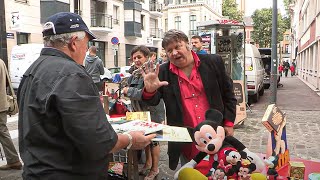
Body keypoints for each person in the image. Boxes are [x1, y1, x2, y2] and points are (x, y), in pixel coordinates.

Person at [17, 12, 155, 179]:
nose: (87, 49)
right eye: (87, 43)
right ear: (74, 43)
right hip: (67, 172)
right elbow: (98, 141)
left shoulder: (32, 70)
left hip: (36, 171)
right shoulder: (72, 73)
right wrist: (130, 139)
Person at [141, 29, 237, 170]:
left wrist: (228, 123)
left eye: (177, 46)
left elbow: (228, 93)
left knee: (221, 171)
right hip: (187, 140)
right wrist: (149, 90)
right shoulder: (163, 71)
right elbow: (152, 101)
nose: (174, 53)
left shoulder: (213, 62)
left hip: (217, 133)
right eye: (169, 50)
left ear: (187, 44)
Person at [122, 45, 165, 180]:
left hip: (152, 112)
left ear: (147, 57)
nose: (136, 60)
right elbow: (128, 90)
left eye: (139, 57)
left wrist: (128, 91)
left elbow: (144, 93)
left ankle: (155, 169)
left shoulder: (151, 72)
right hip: (139, 112)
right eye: (134, 58)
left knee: (154, 141)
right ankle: (147, 164)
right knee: (144, 140)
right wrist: (127, 91)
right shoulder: (134, 73)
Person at [0, 59, 22, 170]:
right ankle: (13, 160)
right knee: (3, 132)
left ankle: (14, 160)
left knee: (2, 132)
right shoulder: (1, 61)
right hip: (2, 102)